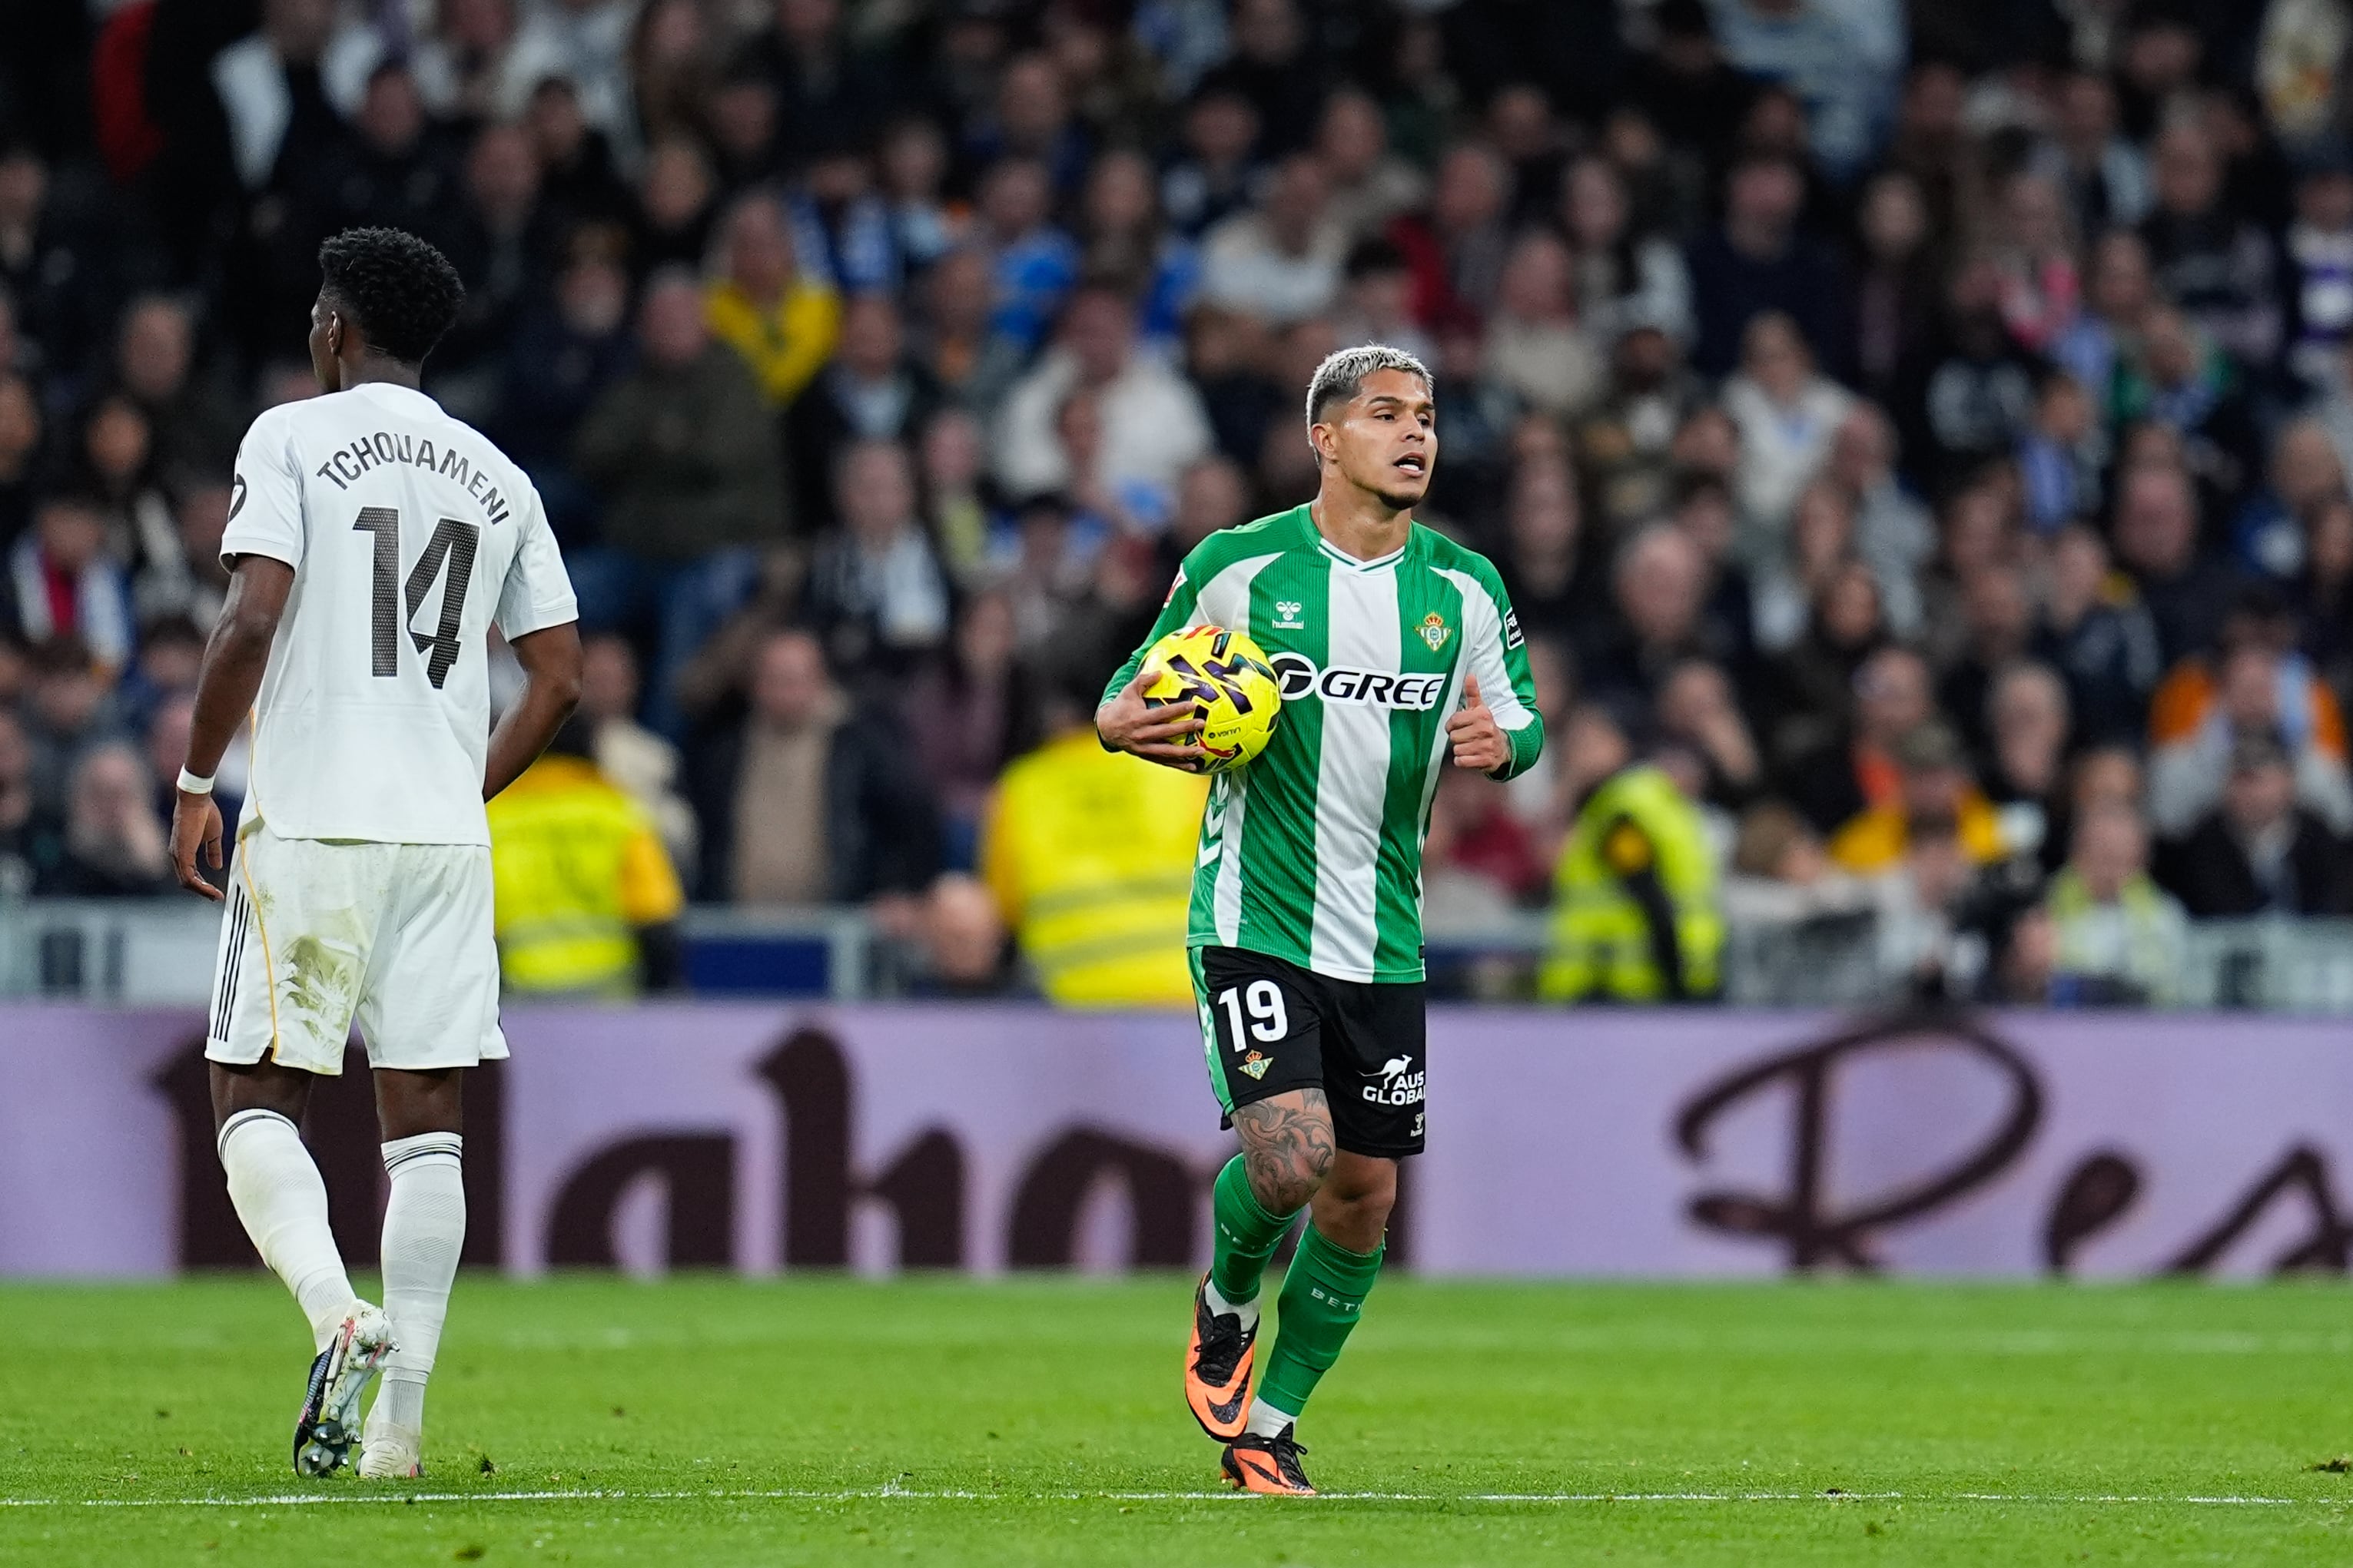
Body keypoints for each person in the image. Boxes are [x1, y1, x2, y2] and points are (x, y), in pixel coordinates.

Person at [165, 228, 582, 1483]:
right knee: (428, 1129)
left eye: (316, 314)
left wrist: (196, 779)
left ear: (337, 331)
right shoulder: (499, 474)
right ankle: (399, 1434)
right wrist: (463, 787)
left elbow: (252, 616)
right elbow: (559, 678)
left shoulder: (288, 437)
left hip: (314, 820)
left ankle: (335, 1310)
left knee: (251, 1100)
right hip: (443, 837)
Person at [1095, 343, 1542, 1494]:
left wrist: (1507, 743)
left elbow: (1521, 715)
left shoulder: (1463, 589)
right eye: (1387, 414)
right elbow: (1129, 689)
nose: (1416, 434)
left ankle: (1269, 1427)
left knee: (1365, 1190)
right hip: (1252, 914)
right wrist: (1125, 723)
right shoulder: (1237, 568)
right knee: (1290, 1159)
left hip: (1383, 935)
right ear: (1325, 438)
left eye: (1429, 416)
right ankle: (1227, 1295)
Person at [981, 664, 1210, 1005]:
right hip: (1187, 998)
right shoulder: (1184, 769)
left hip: (1070, 1008)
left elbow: (1001, 911)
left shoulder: (1019, 789)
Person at [1537, 701, 1724, 1003]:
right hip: (1642, 979)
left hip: (1630, 984)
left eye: (1591, 742)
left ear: (1621, 744)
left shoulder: (1621, 812)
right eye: (1574, 743)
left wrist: (1677, 981)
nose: (1578, 754)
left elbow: (1647, 891)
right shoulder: (1636, 797)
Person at [485, 712, 684, 996]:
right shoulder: (622, 815)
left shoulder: (493, 820)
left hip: (519, 1002)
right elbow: (656, 918)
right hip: (611, 1002)